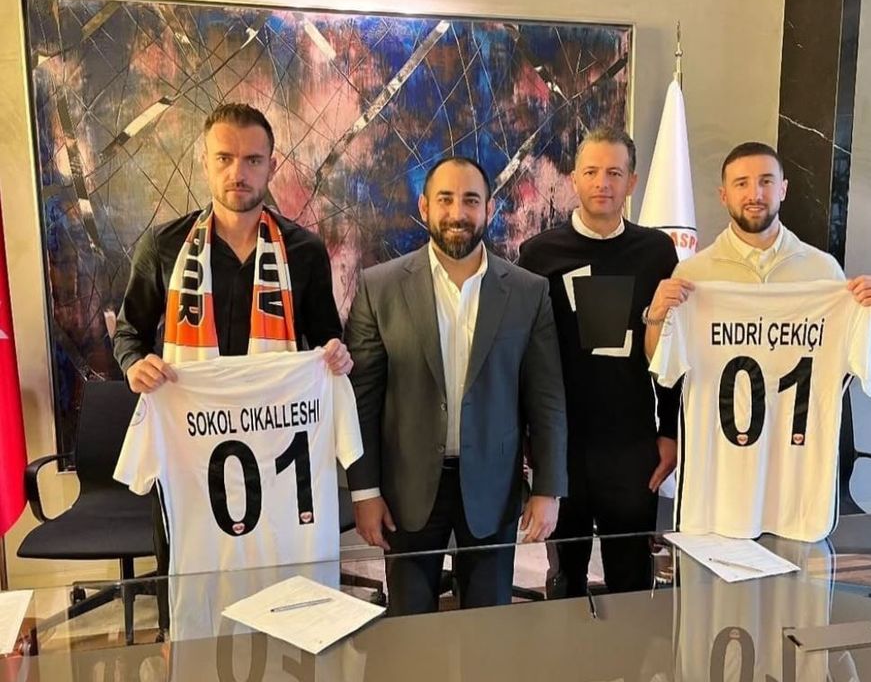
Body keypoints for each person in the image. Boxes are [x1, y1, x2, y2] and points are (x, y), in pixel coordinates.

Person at [112, 102, 352, 633]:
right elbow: (129, 332)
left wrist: (337, 355)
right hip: (191, 455)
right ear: (204, 162)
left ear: (271, 165)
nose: (237, 172)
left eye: (252, 160)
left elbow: (327, 341)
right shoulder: (165, 247)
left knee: (284, 598)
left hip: (278, 459)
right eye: (224, 158)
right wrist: (134, 365)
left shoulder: (303, 251)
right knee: (191, 590)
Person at [345, 155, 567, 616]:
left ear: (488, 208)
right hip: (405, 491)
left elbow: (546, 399)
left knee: (488, 629)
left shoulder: (528, 292)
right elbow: (361, 401)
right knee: (410, 629)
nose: (457, 212)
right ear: (425, 207)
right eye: (445, 199)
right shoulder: (379, 287)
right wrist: (364, 493)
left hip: (493, 487)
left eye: (470, 200)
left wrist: (548, 488)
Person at [517, 126, 680, 596]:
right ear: (574, 179)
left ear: (632, 182)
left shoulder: (657, 252)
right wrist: (528, 436)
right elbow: (523, 356)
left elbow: (673, 349)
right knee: (565, 577)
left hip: (631, 442)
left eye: (614, 173)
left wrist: (669, 430)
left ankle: (629, 648)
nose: (602, 183)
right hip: (562, 444)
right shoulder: (539, 254)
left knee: (630, 577)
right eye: (591, 172)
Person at [644, 141, 871, 353]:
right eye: (741, 183)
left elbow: (849, 365)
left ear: (783, 189)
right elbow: (662, 367)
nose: (755, 195)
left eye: (766, 181)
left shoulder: (824, 270)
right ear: (723, 195)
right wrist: (656, 317)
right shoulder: (691, 275)